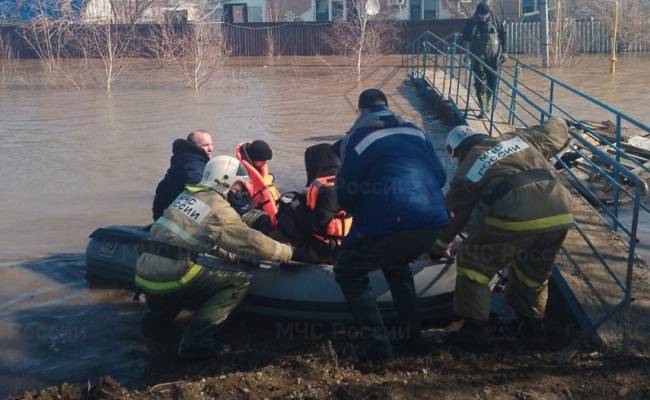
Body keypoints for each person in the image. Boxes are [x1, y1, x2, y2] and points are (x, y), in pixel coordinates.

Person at [431, 118, 573, 346]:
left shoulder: (468, 168)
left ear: (457, 151)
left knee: (474, 261)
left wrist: (439, 246)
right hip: (561, 208)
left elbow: (455, 214)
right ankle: (532, 326)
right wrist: (563, 123)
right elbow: (556, 132)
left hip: (518, 209)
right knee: (534, 269)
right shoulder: (519, 139)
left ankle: (475, 329)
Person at [136, 156, 294, 359]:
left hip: (145, 272)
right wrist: (287, 252)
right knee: (238, 281)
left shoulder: (187, 196)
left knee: (162, 309)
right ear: (226, 180)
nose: (240, 188)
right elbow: (252, 241)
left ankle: (151, 331)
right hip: (171, 275)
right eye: (237, 183)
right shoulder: (218, 208)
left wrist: (230, 255)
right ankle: (197, 340)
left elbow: (200, 240)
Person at [333, 89, 449, 362]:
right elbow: (441, 176)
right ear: (385, 106)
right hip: (433, 221)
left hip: (394, 220)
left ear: (360, 111)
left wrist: (359, 211)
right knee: (397, 265)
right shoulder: (416, 132)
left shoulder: (356, 139)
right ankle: (414, 337)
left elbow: (345, 193)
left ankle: (378, 349)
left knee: (348, 270)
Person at [276, 143, 351, 264]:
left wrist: (297, 206)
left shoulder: (328, 192)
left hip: (326, 250)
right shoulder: (344, 182)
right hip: (342, 242)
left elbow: (316, 226)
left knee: (281, 244)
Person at [152, 130, 214, 221]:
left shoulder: (182, 159)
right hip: (178, 221)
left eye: (211, 144)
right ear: (194, 147)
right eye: (205, 145)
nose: (210, 149)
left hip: (163, 216)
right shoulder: (195, 167)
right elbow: (202, 196)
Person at [462, 2, 507, 119]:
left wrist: (505, 52)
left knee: (493, 82)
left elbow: (503, 35)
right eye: (481, 15)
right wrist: (473, 26)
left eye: (485, 15)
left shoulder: (496, 21)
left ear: (489, 13)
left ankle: (487, 104)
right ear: (477, 13)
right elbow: (466, 37)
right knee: (480, 82)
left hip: (494, 57)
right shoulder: (472, 22)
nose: (483, 17)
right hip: (477, 58)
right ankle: (483, 108)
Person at [235, 140, 281, 227]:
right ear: (253, 158)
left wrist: (270, 177)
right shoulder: (239, 172)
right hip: (251, 206)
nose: (265, 163)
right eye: (263, 160)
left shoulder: (257, 165)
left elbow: (265, 176)